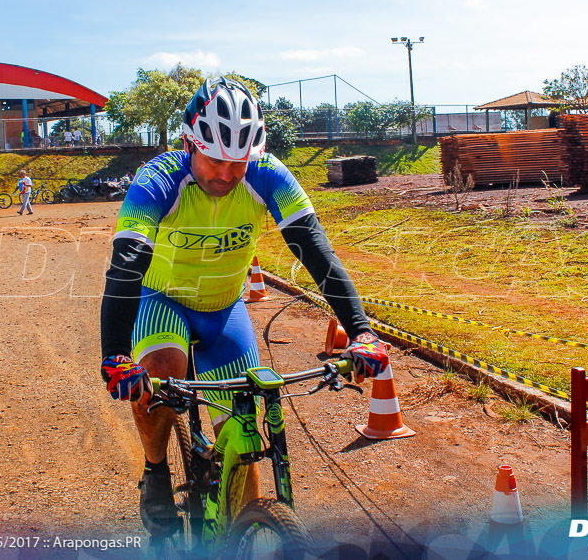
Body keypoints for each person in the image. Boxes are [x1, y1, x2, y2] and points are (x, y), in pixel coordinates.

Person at [98, 76, 388, 536]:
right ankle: (155, 472)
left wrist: (361, 331)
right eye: (215, 158)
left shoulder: (268, 174)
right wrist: (114, 353)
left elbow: (316, 252)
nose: (227, 174)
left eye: (239, 161)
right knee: (162, 370)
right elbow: (126, 265)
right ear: (190, 143)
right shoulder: (158, 179)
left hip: (223, 307)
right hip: (162, 299)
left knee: (243, 431)